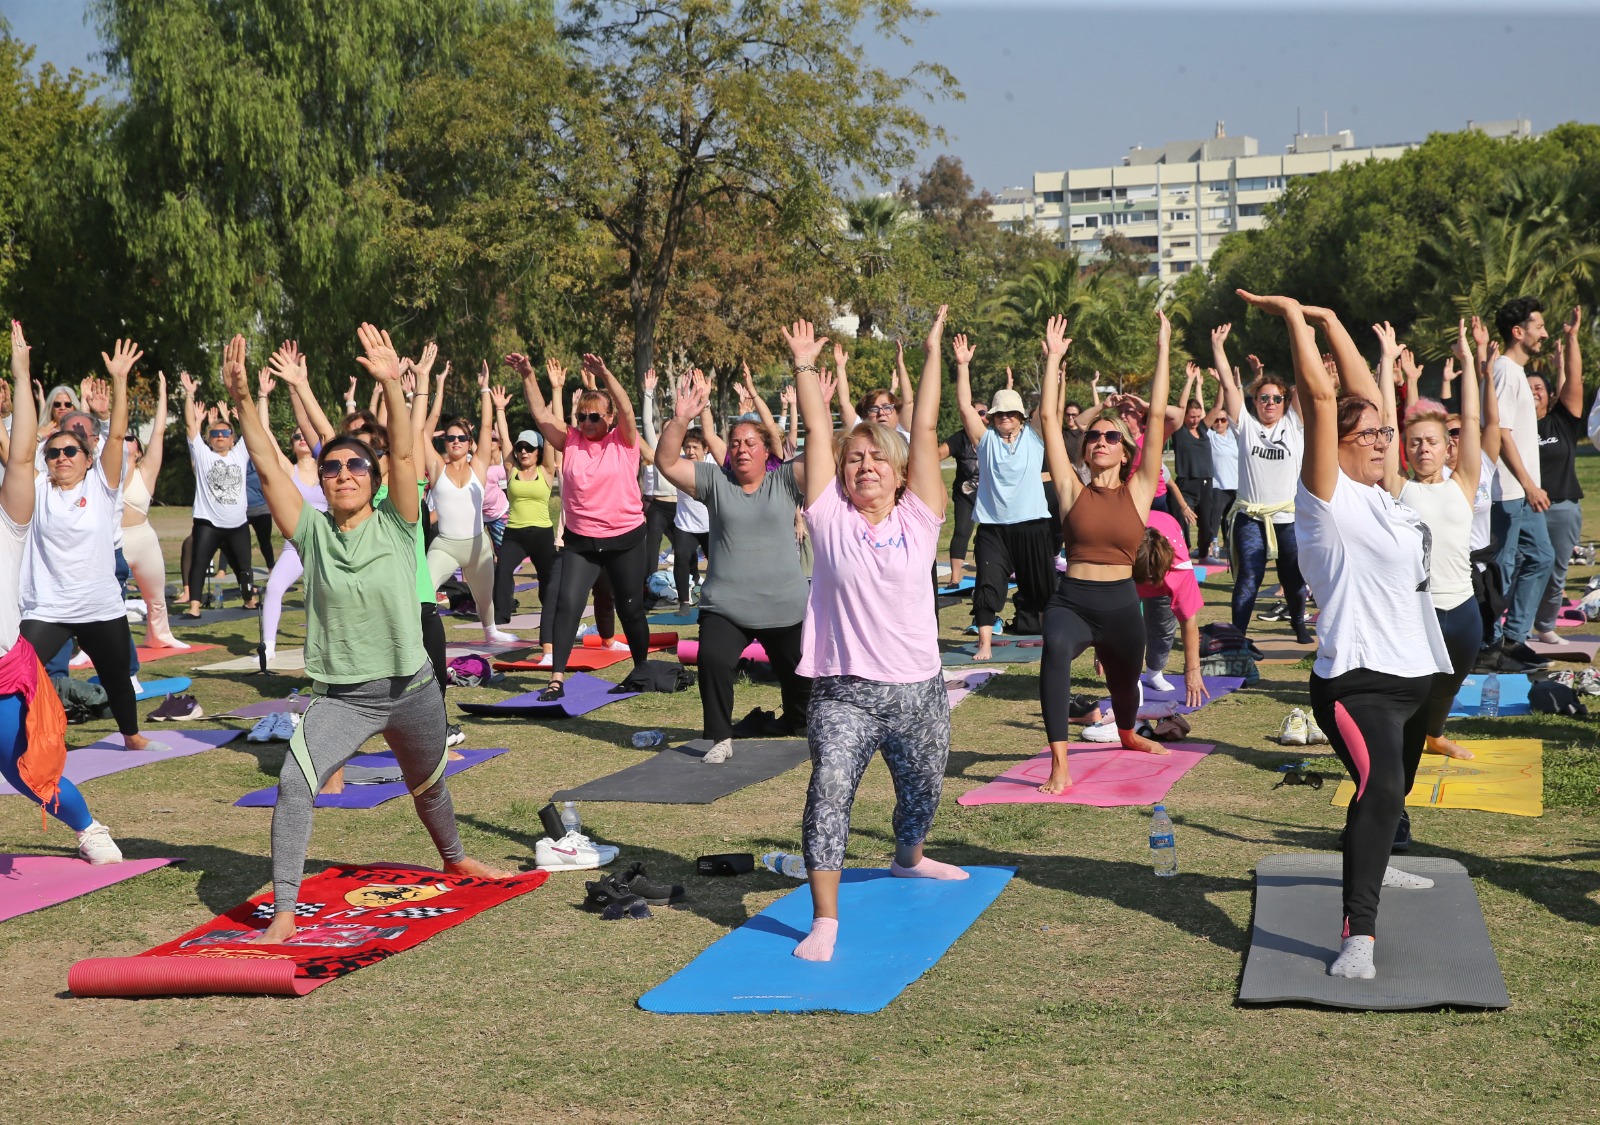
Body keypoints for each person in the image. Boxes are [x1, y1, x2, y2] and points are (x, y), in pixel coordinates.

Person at [222, 326, 509, 944]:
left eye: (357, 464)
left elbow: (406, 458)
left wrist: (390, 384)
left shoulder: (401, 523)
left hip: (413, 687)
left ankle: (454, 855)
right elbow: (269, 464)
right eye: (333, 466)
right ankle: (287, 914)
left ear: (373, 479)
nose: (345, 472)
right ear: (321, 481)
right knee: (294, 783)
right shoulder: (313, 533)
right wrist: (244, 401)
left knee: (429, 786)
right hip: (343, 698)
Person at [1240, 290, 1451, 981]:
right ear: (1338, 446)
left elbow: (1362, 396)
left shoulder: (1384, 498)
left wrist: (1335, 321)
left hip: (1415, 678)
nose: (1386, 443)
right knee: (1381, 789)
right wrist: (1299, 323)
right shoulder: (1325, 503)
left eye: (1388, 435)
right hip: (1356, 683)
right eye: (1374, 437)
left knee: (1393, 792)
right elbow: (1328, 402)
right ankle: (1358, 932)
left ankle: (1377, 864)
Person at [785, 307, 965, 964]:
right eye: (853, 458)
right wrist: (806, 365)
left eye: (874, 458)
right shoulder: (829, 518)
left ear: (895, 470)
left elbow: (922, 425)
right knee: (829, 789)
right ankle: (825, 918)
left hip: (920, 690)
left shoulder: (921, 518)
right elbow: (815, 428)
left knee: (923, 793)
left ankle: (909, 858)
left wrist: (933, 352)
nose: (864, 465)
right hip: (845, 693)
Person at [1035, 312, 1187, 794]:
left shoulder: (1140, 489)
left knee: (1126, 687)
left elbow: (1160, 416)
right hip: (1072, 601)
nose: (1100, 441)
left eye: (1111, 437)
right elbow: (1047, 419)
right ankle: (1059, 763)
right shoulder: (1070, 488)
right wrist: (1054, 360)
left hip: (1122, 605)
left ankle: (1126, 733)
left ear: (1126, 450)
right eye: (1095, 436)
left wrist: (1164, 350)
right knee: (1055, 650)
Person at [0, 322, 123, 864]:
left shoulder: (9, 523)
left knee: (25, 769)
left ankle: (89, 827)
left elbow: (22, 456)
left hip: (3, 676)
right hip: (38, 628)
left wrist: (23, 377)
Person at [654, 370, 810, 763]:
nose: (741, 449)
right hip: (727, 607)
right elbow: (666, 462)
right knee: (713, 660)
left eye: (750, 443)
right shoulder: (714, 481)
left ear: (764, 451)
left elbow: (824, 451)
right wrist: (681, 418)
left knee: (801, 683)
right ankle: (720, 736)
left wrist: (815, 397)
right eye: (736, 443)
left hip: (785, 608)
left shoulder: (787, 479)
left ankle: (798, 720)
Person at [20, 337, 163, 755]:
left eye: (71, 451)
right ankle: (27, 741)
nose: (62, 457)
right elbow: (16, 450)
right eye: (54, 453)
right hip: (48, 608)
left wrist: (119, 381)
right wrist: (22, 376)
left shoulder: (103, 486)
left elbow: (117, 434)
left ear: (87, 457)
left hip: (100, 607)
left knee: (117, 677)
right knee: (18, 675)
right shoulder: (36, 489)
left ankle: (132, 737)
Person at [513, 351, 652, 702]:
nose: (587, 422)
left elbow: (627, 409)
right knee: (567, 604)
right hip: (581, 542)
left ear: (608, 418)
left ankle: (642, 669)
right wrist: (528, 376)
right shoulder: (571, 441)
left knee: (631, 607)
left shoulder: (624, 441)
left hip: (625, 539)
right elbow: (541, 415)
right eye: (581, 417)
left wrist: (605, 373)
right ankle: (557, 679)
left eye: (594, 417)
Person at [1385, 320, 1483, 765]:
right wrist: (1388, 368)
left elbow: (1476, 421)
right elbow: (1388, 424)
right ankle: (1402, 752)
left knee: (1450, 683)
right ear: (1405, 450)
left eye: (1432, 442)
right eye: (1415, 443)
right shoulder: (1398, 487)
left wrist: (1468, 363)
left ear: (1449, 448)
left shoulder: (1463, 482)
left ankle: (1435, 735)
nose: (1423, 448)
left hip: (1462, 608)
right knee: (1413, 687)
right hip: (1414, 609)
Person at [953, 334, 1055, 659]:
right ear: (993, 417)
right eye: (1000, 413)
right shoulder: (985, 440)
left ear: (1022, 416)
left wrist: (1052, 358)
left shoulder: (1035, 436)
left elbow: (1049, 407)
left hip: (1033, 525)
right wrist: (963, 366)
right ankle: (984, 643)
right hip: (993, 529)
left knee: (1043, 588)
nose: (1005, 417)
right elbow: (965, 408)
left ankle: (1054, 641)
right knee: (988, 585)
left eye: (1011, 412)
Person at [1212, 322, 1310, 644]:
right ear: (1254, 401)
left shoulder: (1294, 424)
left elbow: (1306, 380)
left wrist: (1303, 338)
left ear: (1285, 401)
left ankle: (1298, 621)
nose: (1270, 402)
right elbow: (1228, 385)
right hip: (1251, 517)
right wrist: (1218, 348)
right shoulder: (1246, 428)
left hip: (1288, 518)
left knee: (1293, 580)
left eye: (1276, 398)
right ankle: (1237, 639)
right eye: (1263, 397)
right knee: (1249, 578)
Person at [423, 365, 516, 647]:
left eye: (461, 438)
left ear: (470, 442)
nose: (455, 442)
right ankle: (417, 638)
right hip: (445, 546)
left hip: (478, 546)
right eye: (450, 438)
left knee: (484, 598)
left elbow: (487, 426)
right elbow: (420, 433)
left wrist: (485, 389)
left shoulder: (479, 467)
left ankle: (491, 632)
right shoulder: (437, 467)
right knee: (422, 593)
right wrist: (433, 387)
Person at [1487, 295, 1555, 668]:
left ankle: (1513, 639)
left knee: (1542, 557)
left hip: (1522, 493)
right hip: (1507, 492)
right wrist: (1528, 483)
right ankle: (1490, 645)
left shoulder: (1515, 373)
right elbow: (1499, 431)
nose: (1543, 333)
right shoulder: (1504, 370)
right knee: (1502, 567)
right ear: (1518, 332)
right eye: (1539, 326)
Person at [254, 362, 330, 666]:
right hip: (297, 544)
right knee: (273, 587)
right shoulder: (290, 469)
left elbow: (321, 428)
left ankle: (321, 645)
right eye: (296, 435)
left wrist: (296, 386)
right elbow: (263, 437)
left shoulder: (329, 466)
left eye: (305, 434)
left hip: (327, 542)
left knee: (320, 597)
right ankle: (269, 647)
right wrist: (262, 397)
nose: (301, 437)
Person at [117, 370, 187, 650]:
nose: (125, 442)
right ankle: (92, 646)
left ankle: (159, 635)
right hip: (115, 539)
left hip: (143, 538)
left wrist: (162, 394)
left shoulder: (146, 472)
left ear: (139, 452)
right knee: (107, 598)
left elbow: (159, 431)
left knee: (155, 596)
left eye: (130, 442)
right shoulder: (105, 472)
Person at [178, 370, 257, 618]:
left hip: (237, 524)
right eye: (215, 434)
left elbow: (252, 423)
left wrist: (241, 395)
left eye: (225, 434)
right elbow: (191, 425)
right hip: (208, 523)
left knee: (243, 566)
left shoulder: (239, 453)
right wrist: (189, 394)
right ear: (208, 439)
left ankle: (249, 599)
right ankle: (194, 607)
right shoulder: (203, 455)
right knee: (200, 563)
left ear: (233, 439)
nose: (220, 437)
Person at [1530, 307, 1586, 646]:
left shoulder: (1561, 423)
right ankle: (1516, 629)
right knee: (1521, 569)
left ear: (1550, 395)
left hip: (1563, 507)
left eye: (1539, 386)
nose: (1533, 390)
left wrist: (1571, 337)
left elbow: (1575, 383)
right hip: (1526, 508)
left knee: (1556, 569)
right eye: (1527, 386)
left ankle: (1546, 625)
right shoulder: (1510, 427)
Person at [1136, 509, 1205, 702]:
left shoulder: (1180, 570)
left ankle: (1154, 671)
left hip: (1167, 527)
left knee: (1164, 625)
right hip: (1128, 571)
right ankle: (1131, 679)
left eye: (1152, 578)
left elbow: (1188, 622)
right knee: (1126, 626)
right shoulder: (1119, 558)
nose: (1147, 584)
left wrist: (1192, 671)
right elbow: (1111, 618)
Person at [491, 426, 557, 630]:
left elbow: (550, 437)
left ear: (539, 451)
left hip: (542, 534)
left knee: (547, 578)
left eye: (529, 448)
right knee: (502, 570)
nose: (524, 452)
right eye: (520, 448)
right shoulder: (512, 470)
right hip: (515, 535)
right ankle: (501, 618)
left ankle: (551, 615)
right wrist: (500, 409)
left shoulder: (545, 470)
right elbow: (505, 438)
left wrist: (549, 412)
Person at [1170, 363, 1227, 557]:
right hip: (1186, 483)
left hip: (1206, 482)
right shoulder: (1179, 431)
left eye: (1197, 416)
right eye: (1191, 416)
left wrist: (1220, 383)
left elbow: (1218, 406)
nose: (1195, 420)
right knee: (1181, 518)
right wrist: (1189, 380)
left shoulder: (1203, 429)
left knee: (1206, 522)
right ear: (1185, 416)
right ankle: (1182, 551)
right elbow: (1181, 406)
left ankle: (1203, 553)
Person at [937, 400, 985, 585]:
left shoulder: (993, 435)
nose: (981, 417)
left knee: (993, 534)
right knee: (962, 532)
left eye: (983, 413)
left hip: (990, 496)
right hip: (966, 495)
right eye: (977, 413)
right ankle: (955, 578)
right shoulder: (960, 438)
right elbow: (936, 455)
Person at [1205, 401, 1239, 560]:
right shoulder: (1211, 437)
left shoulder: (1234, 436)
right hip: (1218, 486)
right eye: (1216, 420)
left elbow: (1237, 414)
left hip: (1235, 487)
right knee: (1215, 520)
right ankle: (1212, 546)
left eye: (1223, 420)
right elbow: (1205, 418)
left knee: (1230, 521)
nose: (1219, 423)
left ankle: (1228, 546)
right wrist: (1198, 386)